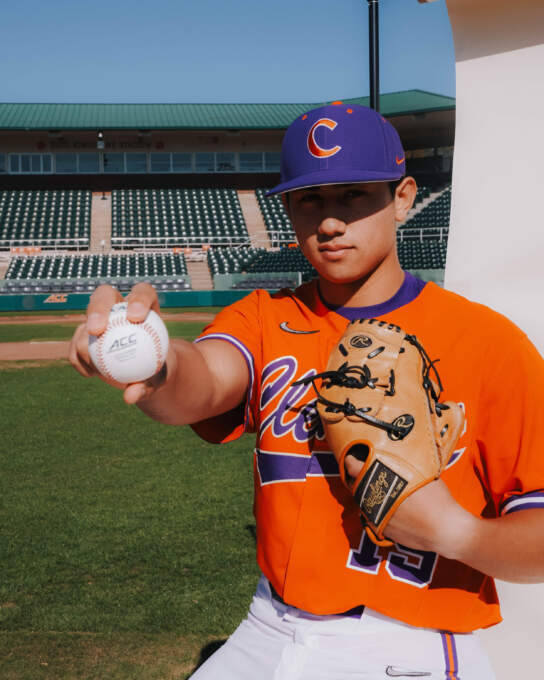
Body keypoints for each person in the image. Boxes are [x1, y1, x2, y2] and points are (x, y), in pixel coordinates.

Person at [70, 102, 544, 680]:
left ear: (402, 198)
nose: (329, 221)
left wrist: (457, 532)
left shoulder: (488, 341)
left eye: (353, 194)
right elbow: (204, 381)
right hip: (268, 625)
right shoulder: (264, 318)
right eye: (309, 199)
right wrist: (154, 362)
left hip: (409, 641)